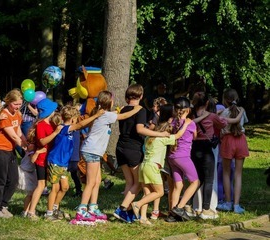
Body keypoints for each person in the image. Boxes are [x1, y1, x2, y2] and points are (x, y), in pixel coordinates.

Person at [72, 90, 143, 225]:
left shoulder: (104, 114)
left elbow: (117, 114)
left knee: (97, 181)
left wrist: (119, 110)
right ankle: (81, 210)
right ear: (108, 102)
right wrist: (136, 109)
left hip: (94, 151)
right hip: (92, 151)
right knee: (91, 182)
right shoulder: (106, 115)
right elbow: (123, 116)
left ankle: (93, 207)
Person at [113, 84, 170, 223]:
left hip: (120, 147)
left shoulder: (124, 109)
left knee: (130, 182)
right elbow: (139, 129)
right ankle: (122, 208)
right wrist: (159, 134)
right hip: (133, 148)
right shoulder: (141, 110)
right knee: (138, 183)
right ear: (141, 96)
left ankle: (125, 213)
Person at [130, 105, 192, 225]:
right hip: (153, 167)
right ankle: (137, 204)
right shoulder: (163, 138)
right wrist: (186, 124)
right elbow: (178, 136)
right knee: (160, 192)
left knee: (148, 193)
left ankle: (143, 218)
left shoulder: (149, 137)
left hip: (143, 166)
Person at [45, 105, 104, 221]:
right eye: (76, 118)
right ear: (72, 119)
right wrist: (95, 115)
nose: (77, 121)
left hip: (63, 163)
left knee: (65, 187)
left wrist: (95, 119)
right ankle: (49, 213)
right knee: (55, 188)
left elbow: (83, 125)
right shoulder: (63, 128)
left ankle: (55, 207)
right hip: (55, 162)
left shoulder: (72, 129)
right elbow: (81, 124)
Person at [190, 92, 244, 219]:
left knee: (196, 179)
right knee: (209, 179)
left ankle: (193, 206)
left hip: (193, 148)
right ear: (207, 103)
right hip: (206, 148)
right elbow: (223, 124)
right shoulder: (212, 116)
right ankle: (206, 209)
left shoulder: (190, 115)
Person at [0, 89, 27, 218]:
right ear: (8, 101)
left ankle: (3, 204)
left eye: (19, 104)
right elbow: (13, 136)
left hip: (9, 150)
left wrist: (26, 142)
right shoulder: (4, 115)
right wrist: (25, 148)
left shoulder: (17, 114)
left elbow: (19, 132)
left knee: (14, 180)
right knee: (0, 180)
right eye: (15, 104)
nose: (17, 107)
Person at [165, 98, 199, 222]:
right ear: (188, 110)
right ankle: (179, 208)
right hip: (183, 157)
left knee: (177, 185)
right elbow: (195, 137)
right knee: (195, 182)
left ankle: (172, 215)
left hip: (172, 156)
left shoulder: (172, 122)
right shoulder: (190, 123)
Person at [217, 88, 249, 214]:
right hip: (241, 140)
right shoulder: (241, 110)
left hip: (228, 141)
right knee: (238, 174)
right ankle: (236, 205)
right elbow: (242, 122)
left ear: (225, 100)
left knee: (226, 172)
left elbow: (221, 125)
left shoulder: (224, 112)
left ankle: (228, 202)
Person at [26, 98, 59, 219]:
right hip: (41, 158)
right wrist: (55, 133)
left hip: (48, 158)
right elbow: (42, 141)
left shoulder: (50, 123)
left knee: (44, 184)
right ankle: (31, 211)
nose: (55, 112)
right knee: (41, 185)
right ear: (49, 111)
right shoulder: (40, 125)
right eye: (53, 110)